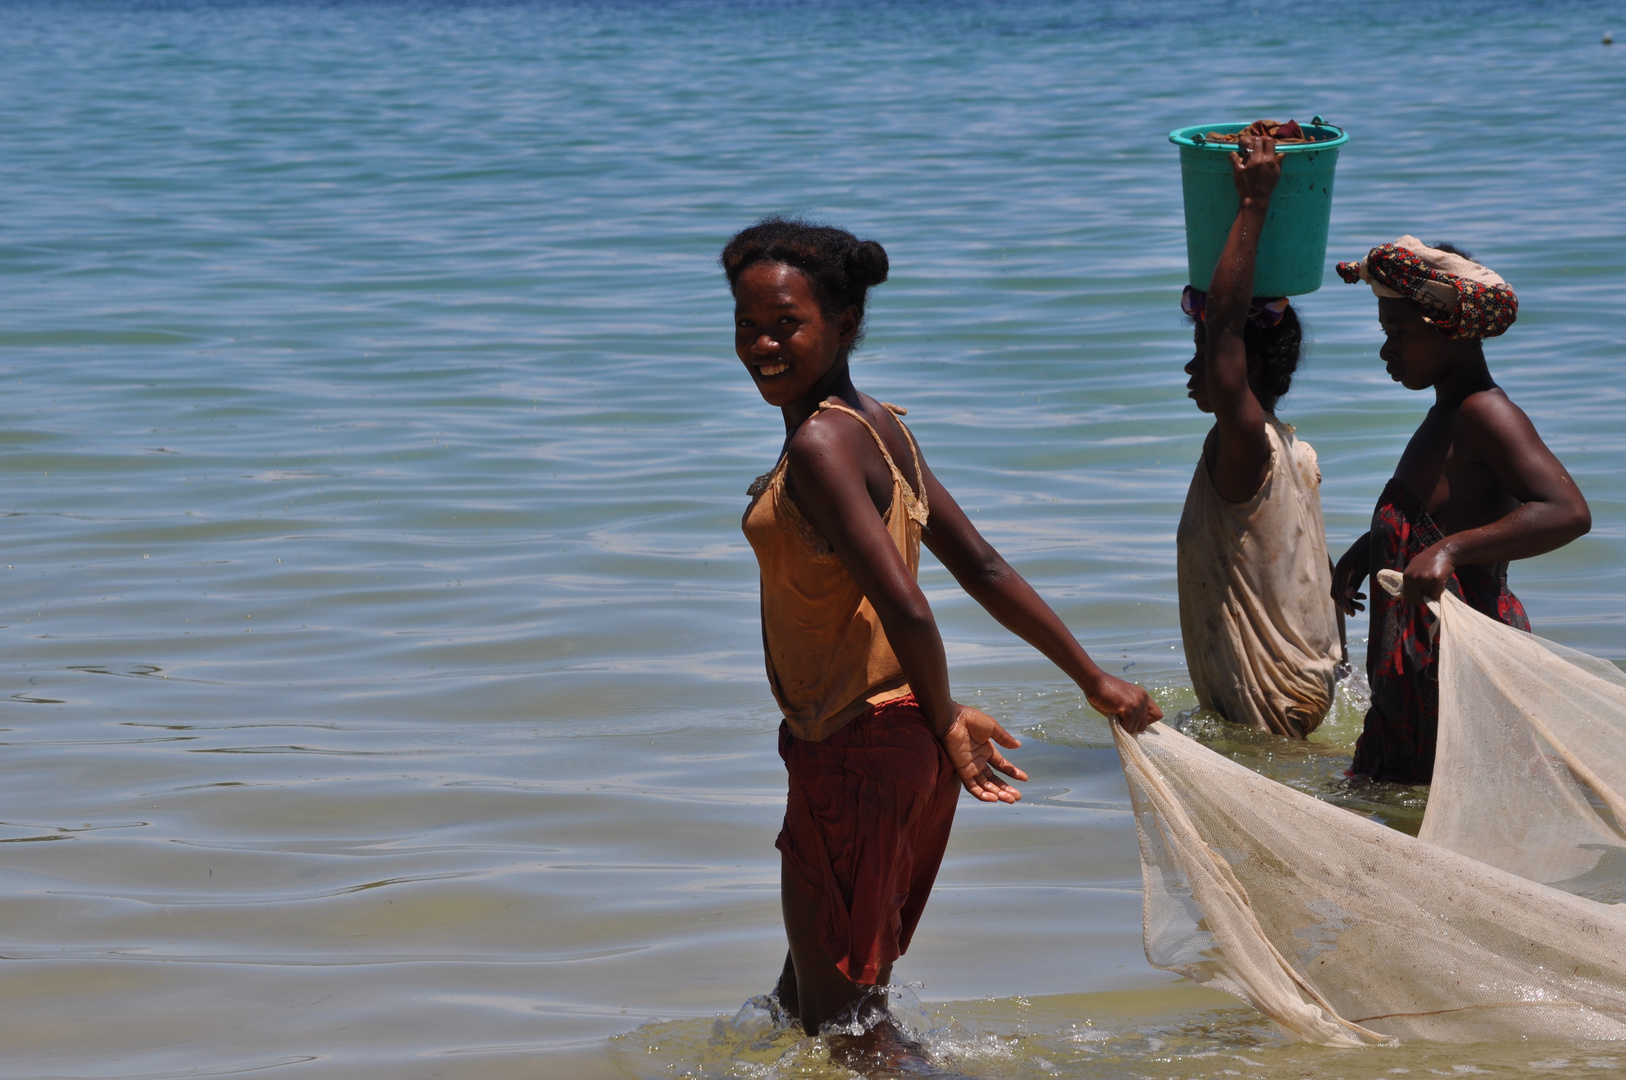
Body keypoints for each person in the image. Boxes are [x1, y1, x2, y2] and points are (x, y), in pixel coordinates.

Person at [723, 218, 1162, 1062]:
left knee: (847, 1031)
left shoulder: (821, 444)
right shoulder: (877, 422)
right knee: (800, 1006)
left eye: (786, 324)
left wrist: (945, 715)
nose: (762, 344)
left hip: (860, 750)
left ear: (845, 324)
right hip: (882, 748)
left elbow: (910, 608)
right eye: (747, 325)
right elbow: (984, 567)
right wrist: (1091, 677)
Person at [1331, 236, 1591, 784]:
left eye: (1399, 334)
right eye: (1385, 334)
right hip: (1417, 674)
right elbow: (1436, 515)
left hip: (1464, 671)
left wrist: (1450, 551)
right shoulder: (1445, 416)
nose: (1386, 350)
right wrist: (1368, 549)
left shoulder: (1486, 414)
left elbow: (1567, 511)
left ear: (1448, 327)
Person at [1177, 130, 1342, 740]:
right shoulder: (1291, 449)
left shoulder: (1246, 444)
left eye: (1203, 355)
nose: (1193, 369)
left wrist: (1253, 205)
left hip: (1265, 706)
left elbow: (1224, 326)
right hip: (1304, 687)